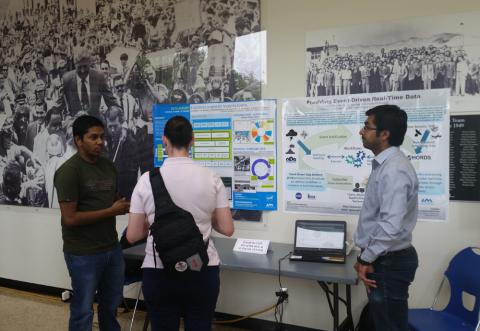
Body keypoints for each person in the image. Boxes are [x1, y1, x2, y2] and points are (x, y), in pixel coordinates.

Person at [126, 115, 234, 331]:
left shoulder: (147, 179)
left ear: (164, 140)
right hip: (202, 267)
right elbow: (227, 228)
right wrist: (204, 215)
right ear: (192, 140)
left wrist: (154, 220)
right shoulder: (211, 178)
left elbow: (133, 235)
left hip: (158, 270)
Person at [54, 115, 130, 331]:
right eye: (93, 137)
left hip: (111, 248)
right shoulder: (69, 171)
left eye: (102, 137)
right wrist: (111, 211)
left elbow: (113, 200)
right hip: (82, 253)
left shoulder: (108, 165)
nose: (100, 142)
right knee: (83, 309)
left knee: (110, 305)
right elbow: (70, 218)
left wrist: (126, 205)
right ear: (78, 140)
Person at [354, 104, 419, 331]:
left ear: (384, 134)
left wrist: (366, 259)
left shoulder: (394, 170)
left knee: (389, 326)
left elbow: (390, 225)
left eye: (366, 126)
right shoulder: (385, 165)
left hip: (388, 262)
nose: (361, 131)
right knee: (383, 322)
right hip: (382, 259)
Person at [58, 48, 119, 119]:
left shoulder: (99, 77)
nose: (83, 70)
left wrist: (117, 112)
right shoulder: (67, 79)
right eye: (79, 67)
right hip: (74, 121)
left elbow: (111, 101)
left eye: (85, 66)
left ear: (89, 64)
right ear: (75, 65)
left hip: (94, 120)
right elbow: (59, 104)